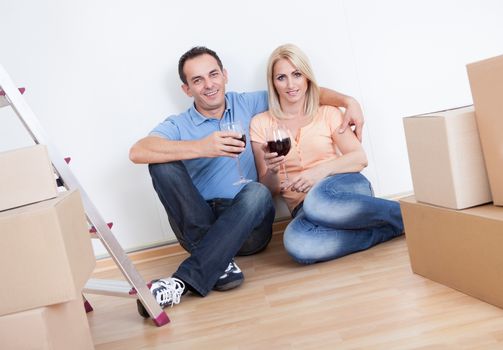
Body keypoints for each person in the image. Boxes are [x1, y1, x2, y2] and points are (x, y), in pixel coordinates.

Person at [129, 46, 366, 311]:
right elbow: (138, 151)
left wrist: (348, 102)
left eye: (213, 75)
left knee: (256, 192)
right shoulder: (178, 124)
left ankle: (184, 280)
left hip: (249, 220)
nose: (209, 85)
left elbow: (299, 91)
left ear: (225, 75)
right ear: (187, 89)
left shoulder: (249, 103)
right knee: (161, 166)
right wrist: (202, 147)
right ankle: (221, 261)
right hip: (199, 219)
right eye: (197, 80)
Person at [250, 44, 404, 265]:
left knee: (318, 201)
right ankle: (389, 229)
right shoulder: (261, 123)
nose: (291, 84)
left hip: (343, 187)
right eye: (281, 77)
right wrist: (272, 170)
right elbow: (268, 189)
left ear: (307, 78)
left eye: (297, 74)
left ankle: (409, 215)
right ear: (272, 83)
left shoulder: (327, 113)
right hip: (303, 207)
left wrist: (317, 173)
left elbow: (359, 158)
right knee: (296, 244)